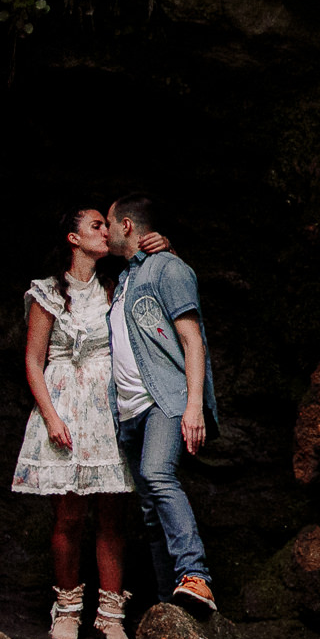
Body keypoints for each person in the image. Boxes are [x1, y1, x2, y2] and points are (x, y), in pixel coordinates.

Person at [12, 206, 164, 639]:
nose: (106, 231)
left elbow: (152, 282)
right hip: (63, 409)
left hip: (106, 410)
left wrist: (162, 246)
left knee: (113, 518)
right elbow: (32, 361)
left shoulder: (115, 290)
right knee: (69, 516)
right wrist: (51, 418)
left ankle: (111, 616)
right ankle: (67, 609)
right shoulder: (46, 294)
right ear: (72, 239)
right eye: (96, 225)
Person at [106, 192, 220, 615]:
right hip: (130, 412)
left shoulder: (168, 268)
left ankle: (197, 577)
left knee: (157, 474)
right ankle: (167, 613)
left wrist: (193, 405)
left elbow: (193, 341)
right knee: (150, 512)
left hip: (164, 399)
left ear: (127, 226)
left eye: (109, 222)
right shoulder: (122, 282)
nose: (107, 229)